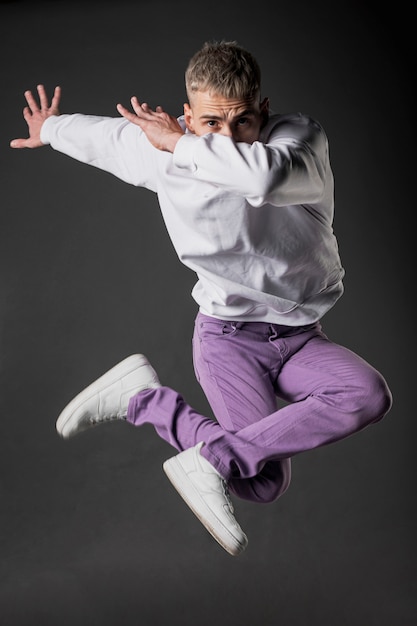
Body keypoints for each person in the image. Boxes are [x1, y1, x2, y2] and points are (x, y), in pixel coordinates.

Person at [10, 41, 392, 557]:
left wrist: (180, 142)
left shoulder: (299, 142)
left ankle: (163, 419)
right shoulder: (162, 149)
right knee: (263, 483)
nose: (229, 137)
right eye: (212, 123)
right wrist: (50, 130)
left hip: (300, 339)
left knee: (366, 394)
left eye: (242, 123)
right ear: (188, 115)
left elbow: (262, 178)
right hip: (229, 339)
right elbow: (100, 136)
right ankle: (143, 399)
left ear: (264, 110)